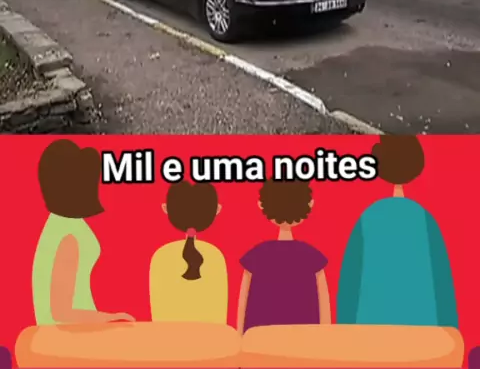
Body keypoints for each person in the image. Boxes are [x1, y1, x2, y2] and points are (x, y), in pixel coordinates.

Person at [337, 135, 458, 327]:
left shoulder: (369, 218)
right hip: (420, 323)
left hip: (373, 322)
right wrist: (450, 329)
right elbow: (441, 283)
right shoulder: (424, 219)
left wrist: (345, 328)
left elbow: (350, 282)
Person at [32, 139, 135, 325]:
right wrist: (108, 319)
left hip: (77, 327)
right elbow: (61, 313)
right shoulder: (68, 235)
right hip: (69, 332)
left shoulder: (61, 224)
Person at [237, 179, 330, 333]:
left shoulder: (256, 256)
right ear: (309, 205)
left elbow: (243, 303)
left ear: (262, 205)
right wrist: (324, 336)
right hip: (303, 339)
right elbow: (324, 307)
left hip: (260, 339)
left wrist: (240, 336)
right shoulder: (312, 257)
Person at [149, 180, 228, 323]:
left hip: (168, 334)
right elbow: (219, 312)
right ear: (217, 209)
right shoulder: (215, 255)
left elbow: (159, 311)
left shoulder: (161, 255)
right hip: (211, 334)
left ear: (166, 208)